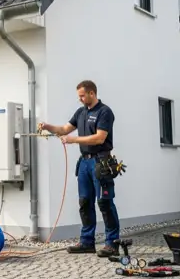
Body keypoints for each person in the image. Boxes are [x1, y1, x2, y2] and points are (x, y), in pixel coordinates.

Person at [38, 80, 120, 257]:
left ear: (92, 93)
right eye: (79, 96)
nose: (80, 99)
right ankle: (87, 242)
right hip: (84, 163)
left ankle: (112, 244)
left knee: (104, 202)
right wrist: (47, 127)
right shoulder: (80, 112)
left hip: (100, 161)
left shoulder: (104, 112)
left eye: (82, 96)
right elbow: (64, 129)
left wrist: (73, 140)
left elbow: (99, 138)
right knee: (84, 202)